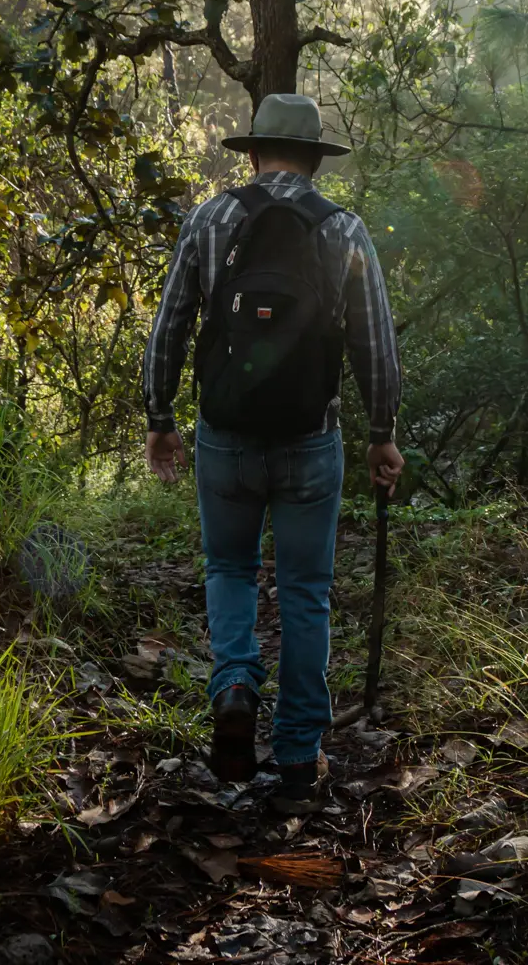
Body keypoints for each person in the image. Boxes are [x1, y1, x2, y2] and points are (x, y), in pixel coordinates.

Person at [143, 92, 404, 798]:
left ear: (252, 153)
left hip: (224, 438)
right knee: (305, 593)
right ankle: (296, 753)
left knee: (228, 566)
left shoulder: (210, 218)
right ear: (316, 161)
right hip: (311, 440)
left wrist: (159, 416)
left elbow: (169, 325)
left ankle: (233, 686)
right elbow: (374, 342)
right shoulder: (344, 230)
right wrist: (382, 435)